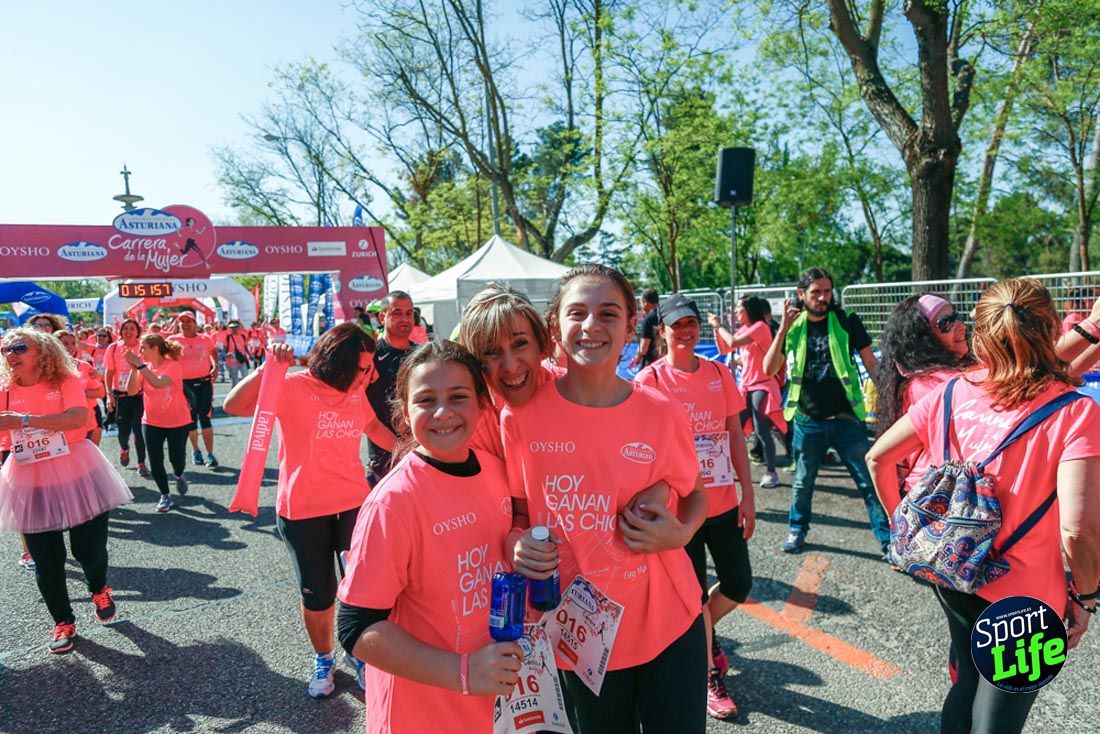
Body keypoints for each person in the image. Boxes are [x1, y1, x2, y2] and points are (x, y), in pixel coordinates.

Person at [866, 278, 1100, 734]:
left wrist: (903, 527)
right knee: (999, 718)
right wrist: (1087, 599)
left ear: (981, 332)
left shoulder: (950, 392)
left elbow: (878, 457)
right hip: (1027, 592)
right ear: (1051, 327)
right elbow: (1078, 531)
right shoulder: (1076, 412)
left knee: (968, 681)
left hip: (954, 567)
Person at [505, 264, 708, 733]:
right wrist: (517, 543)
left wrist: (681, 531)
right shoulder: (521, 416)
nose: (592, 325)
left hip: (669, 625)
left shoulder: (661, 411)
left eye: (608, 313)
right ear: (555, 326)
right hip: (581, 638)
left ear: (631, 324)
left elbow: (695, 493)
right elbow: (518, 513)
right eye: (577, 313)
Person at [337, 340, 521, 732]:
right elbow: (356, 628)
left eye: (458, 396)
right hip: (420, 716)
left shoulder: (494, 470)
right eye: (425, 400)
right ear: (403, 414)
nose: (443, 413)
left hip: (489, 709)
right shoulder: (393, 503)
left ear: (481, 405)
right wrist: (464, 671)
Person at [224, 323, 397, 698]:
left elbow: (376, 430)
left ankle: (362, 655)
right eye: (365, 367)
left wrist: (412, 451)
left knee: (365, 589)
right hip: (303, 511)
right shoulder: (292, 386)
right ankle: (323, 656)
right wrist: (268, 368)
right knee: (319, 596)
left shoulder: (356, 392)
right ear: (340, 363)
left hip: (354, 505)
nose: (374, 375)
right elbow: (232, 405)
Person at [635, 293, 755, 721]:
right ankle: (708, 674)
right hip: (678, 510)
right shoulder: (649, 381)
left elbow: (735, 437)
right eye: (676, 325)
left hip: (722, 502)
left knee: (738, 583)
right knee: (690, 596)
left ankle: (705, 635)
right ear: (661, 331)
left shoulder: (719, 375)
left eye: (691, 324)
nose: (685, 332)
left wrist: (749, 494)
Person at [0, 327, 132, 654]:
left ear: (42, 352)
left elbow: (77, 419)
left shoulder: (65, 380)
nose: (10, 355)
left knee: (88, 549)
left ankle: (98, 587)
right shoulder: (4, 390)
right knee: (47, 559)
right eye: (5, 350)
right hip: (30, 478)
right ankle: (63, 621)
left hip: (77, 470)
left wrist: (22, 419)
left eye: (18, 348)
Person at [762, 267, 890, 557]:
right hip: (808, 422)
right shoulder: (791, 327)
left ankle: (888, 542)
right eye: (815, 292)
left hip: (847, 421)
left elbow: (871, 363)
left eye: (827, 291)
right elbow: (768, 369)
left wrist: (891, 394)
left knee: (868, 483)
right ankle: (797, 530)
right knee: (802, 483)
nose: (822, 297)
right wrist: (782, 328)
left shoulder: (847, 321)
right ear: (801, 295)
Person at [875, 294, 973, 496]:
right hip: (937, 496)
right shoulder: (934, 385)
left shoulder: (917, 379)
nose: (961, 326)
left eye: (956, 317)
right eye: (945, 323)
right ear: (923, 338)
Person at [709, 295, 787, 489]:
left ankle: (772, 472)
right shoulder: (745, 329)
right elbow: (725, 348)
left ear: (749, 310)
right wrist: (715, 329)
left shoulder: (760, 327)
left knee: (762, 430)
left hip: (762, 384)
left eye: (739, 309)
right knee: (731, 428)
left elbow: (733, 341)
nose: (736, 312)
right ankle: (721, 469)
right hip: (746, 385)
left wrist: (719, 326)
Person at [125, 334, 193, 512]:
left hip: (178, 421)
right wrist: (134, 368)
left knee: (176, 459)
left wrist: (139, 365)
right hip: (151, 421)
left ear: (155, 349)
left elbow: (158, 383)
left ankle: (178, 475)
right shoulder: (143, 367)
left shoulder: (173, 366)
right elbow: (131, 391)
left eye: (143, 348)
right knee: (155, 461)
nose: (140, 352)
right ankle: (165, 495)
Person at [365, 291, 417, 484]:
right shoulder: (370, 357)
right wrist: (400, 449)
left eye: (409, 313)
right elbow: (362, 415)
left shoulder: (422, 354)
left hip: (420, 454)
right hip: (385, 460)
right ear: (382, 316)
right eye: (397, 313)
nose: (405, 318)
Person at [168, 312, 219, 468]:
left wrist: (215, 366)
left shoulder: (204, 339)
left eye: (188, 321)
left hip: (204, 382)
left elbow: (214, 352)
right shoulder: (173, 340)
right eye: (182, 321)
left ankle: (210, 454)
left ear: (195, 323)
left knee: (205, 417)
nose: (185, 324)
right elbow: (162, 356)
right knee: (190, 419)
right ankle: (196, 450)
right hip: (184, 385)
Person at [104, 319, 149, 478]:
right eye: (125, 329)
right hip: (121, 395)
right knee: (123, 431)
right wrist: (109, 395)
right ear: (121, 331)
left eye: (132, 328)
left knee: (139, 430)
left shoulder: (143, 347)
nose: (128, 331)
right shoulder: (114, 347)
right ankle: (124, 448)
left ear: (137, 331)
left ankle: (141, 463)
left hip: (140, 396)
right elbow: (109, 372)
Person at [57, 330, 106, 447]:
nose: (70, 347)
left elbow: (100, 392)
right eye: (65, 343)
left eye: (73, 343)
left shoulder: (84, 366)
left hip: (85, 420)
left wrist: (78, 394)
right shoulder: (48, 368)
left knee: (88, 459)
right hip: (59, 423)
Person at [628, 288, 660, 370]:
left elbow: (643, 348)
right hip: (665, 361)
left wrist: (638, 357)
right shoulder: (665, 315)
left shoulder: (648, 319)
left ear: (645, 302)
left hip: (651, 363)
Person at [223, 321, 251, 386]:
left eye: (236, 327)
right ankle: (235, 394)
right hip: (232, 362)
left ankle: (245, 393)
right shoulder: (228, 337)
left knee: (246, 378)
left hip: (242, 360)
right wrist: (226, 354)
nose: (234, 329)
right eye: (232, 328)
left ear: (238, 328)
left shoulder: (242, 336)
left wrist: (250, 355)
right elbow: (224, 350)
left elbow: (245, 347)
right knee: (235, 380)